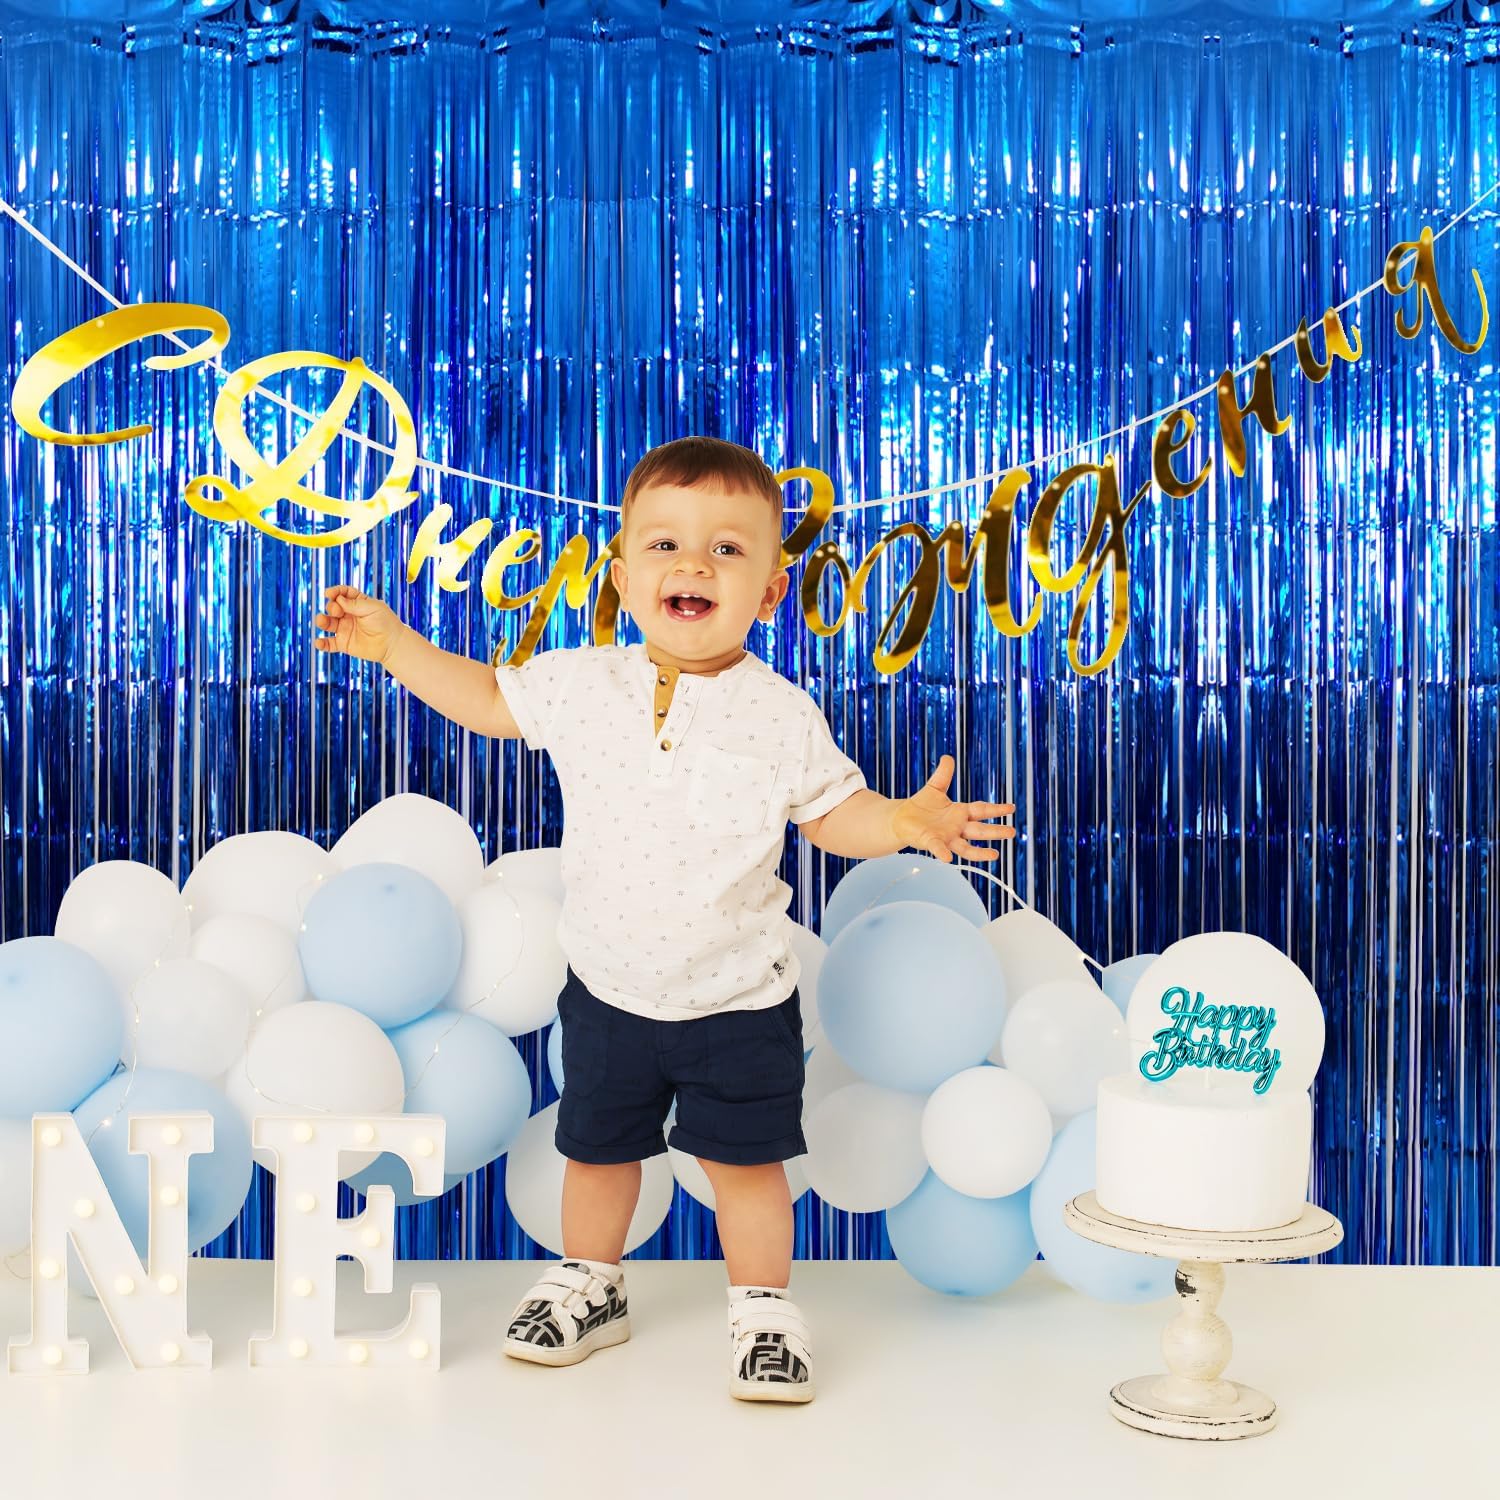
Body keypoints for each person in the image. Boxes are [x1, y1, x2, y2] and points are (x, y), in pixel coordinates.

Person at [312, 436, 1015, 1403]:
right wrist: (397, 646)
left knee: (746, 1169)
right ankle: (591, 1284)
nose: (694, 565)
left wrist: (897, 822)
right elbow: (484, 698)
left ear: (770, 593)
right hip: (609, 989)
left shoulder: (781, 714)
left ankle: (763, 1308)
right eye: (665, 545)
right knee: (597, 1153)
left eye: (727, 549)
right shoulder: (580, 684)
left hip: (739, 998)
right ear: (622, 577)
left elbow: (830, 814)